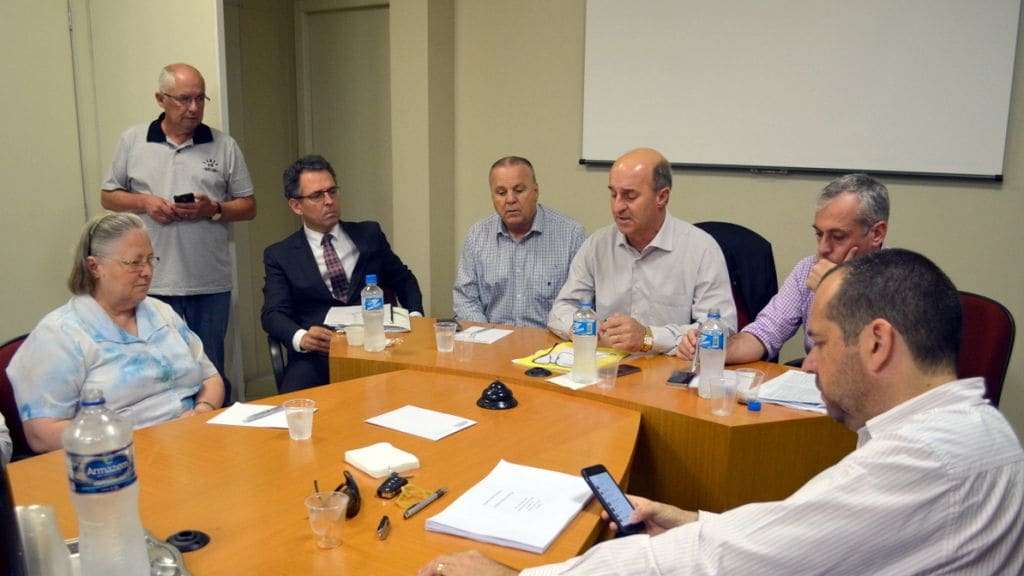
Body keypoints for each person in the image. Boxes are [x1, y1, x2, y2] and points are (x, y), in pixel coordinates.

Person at [419, 249, 1023, 575]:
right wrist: (692, 520)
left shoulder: (926, 462)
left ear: (877, 342)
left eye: (817, 344)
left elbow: (727, 562)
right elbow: (796, 531)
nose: (808, 366)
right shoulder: (970, 431)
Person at [7, 214, 225, 454]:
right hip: (116, 458)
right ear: (94, 267)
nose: (147, 272)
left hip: (191, 442)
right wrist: (135, 438)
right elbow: (41, 435)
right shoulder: (59, 334)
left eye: (150, 260)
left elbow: (211, 378)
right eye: (134, 262)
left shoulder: (160, 312)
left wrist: (202, 410)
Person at [100, 63, 256, 396]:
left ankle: (211, 427)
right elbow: (108, 196)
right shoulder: (133, 141)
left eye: (200, 98)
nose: (194, 108)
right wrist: (145, 202)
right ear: (161, 99)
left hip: (209, 283)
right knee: (156, 376)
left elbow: (248, 206)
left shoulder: (224, 145)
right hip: (150, 282)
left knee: (211, 372)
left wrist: (213, 209)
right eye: (184, 99)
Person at [676, 173, 889, 364]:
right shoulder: (808, 269)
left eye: (838, 236)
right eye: (819, 234)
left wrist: (835, 292)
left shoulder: (898, 281)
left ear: (877, 234)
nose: (823, 248)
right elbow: (765, 332)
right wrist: (714, 349)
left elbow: (869, 363)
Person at [547, 148, 735, 354]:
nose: (617, 207)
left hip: (669, 366)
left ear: (662, 197)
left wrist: (649, 337)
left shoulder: (701, 249)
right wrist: (586, 329)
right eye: (613, 194)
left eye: (629, 196)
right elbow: (562, 309)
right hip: (606, 364)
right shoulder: (597, 245)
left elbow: (720, 328)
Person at [262, 155, 424, 392]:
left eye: (332, 191)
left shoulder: (369, 234)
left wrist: (416, 318)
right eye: (317, 196)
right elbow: (273, 313)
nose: (329, 201)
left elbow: (404, 279)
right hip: (319, 353)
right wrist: (301, 337)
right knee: (294, 403)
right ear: (296, 205)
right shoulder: (281, 255)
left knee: (419, 389)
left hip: (377, 345)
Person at [453, 156, 586, 327]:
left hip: (550, 340)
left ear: (536, 192)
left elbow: (581, 303)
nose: (510, 199)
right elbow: (465, 299)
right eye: (501, 193)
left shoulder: (571, 236)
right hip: (490, 339)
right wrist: (485, 335)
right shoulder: (477, 236)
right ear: (492, 196)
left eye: (519, 190)